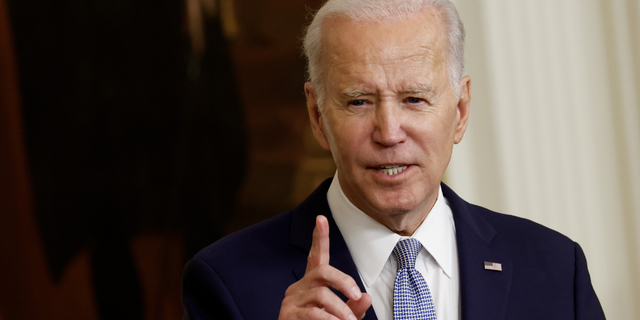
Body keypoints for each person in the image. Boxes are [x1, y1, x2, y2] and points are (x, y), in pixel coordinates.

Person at [181, 0, 606, 319]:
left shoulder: (555, 268)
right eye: (360, 101)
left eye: (414, 99)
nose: (388, 133)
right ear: (317, 115)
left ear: (460, 111)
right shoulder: (226, 285)